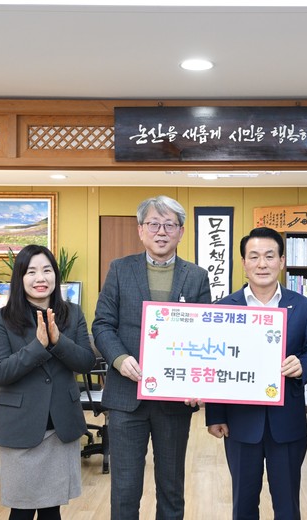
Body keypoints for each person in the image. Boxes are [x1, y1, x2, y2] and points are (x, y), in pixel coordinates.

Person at [92, 195, 212, 519]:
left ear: (181, 232)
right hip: (125, 397)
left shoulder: (196, 276)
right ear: (141, 230)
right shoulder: (120, 269)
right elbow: (102, 324)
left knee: (171, 490)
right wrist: (119, 359)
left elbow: (204, 335)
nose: (161, 231)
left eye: (169, 225)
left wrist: (196, 383)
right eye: (154, 224)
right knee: (125, 490)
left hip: (174, 400)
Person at [205, 227, 307, 520]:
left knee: (287, 507)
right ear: (243, 263)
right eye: (254, 256)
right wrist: (215, 414)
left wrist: (303, 366)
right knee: (243, 506)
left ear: (281, 261)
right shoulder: (224, 308)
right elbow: (216, 363)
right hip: (241, 423)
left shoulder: (304, 307)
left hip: (287, 423)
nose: (262, 264)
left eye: (270, 256)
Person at [0, 244, 96, 520]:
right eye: (32, 271)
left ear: (55, 276)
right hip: (20, 428)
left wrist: (58, 342)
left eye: (47, 270)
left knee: (51, 511)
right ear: (20, 277)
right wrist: (37, 346)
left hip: (61, 426)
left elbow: (86, 362)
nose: (40, 278)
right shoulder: (2, 318)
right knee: (21, 512)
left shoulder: (73, 313)